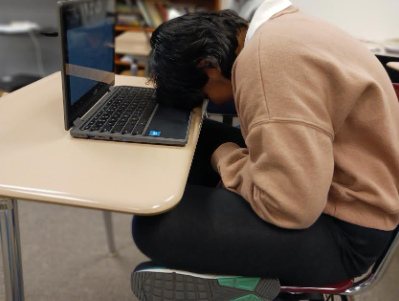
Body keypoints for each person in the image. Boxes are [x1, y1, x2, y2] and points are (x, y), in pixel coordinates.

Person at [131, 1, 399, 300]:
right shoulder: (278, 28)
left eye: (203, 94)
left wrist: (226, 160)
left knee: (155, 225)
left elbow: (288, 206)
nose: (209, 101)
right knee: (200, 137)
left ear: (207, 64)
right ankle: (233, 259)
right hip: (341, 187)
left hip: (345, 234)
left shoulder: (266, 61)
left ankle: (256, 287)